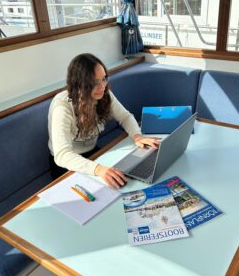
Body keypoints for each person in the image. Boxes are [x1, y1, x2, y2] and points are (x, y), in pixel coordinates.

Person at [48, 53, 159, 189]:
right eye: (95, 82)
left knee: (124, 181)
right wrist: (99, 169)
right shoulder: (62, 106)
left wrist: (137, 136)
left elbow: (125, 116)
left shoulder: (103, 93)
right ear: (80, 84)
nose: (103, 87)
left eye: (104, 79)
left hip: (93, 153)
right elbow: (62, 155)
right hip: (67, 164)